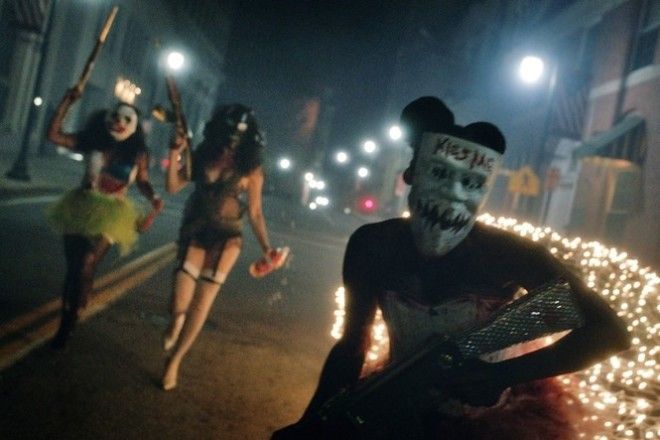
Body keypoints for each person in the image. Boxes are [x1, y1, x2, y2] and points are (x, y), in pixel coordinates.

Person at [272, 96, 630, 439]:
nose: (454, 193)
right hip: (398, 411)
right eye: (440, 173)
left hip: (493, 424)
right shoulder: (373, 246)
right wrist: (313, 423)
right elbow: (353, 346)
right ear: (411, 173)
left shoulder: (509, 253)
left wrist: (502, 375)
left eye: (470, 183)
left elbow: (609, 331)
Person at [161, 104, 289, 390]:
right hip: (196, 231)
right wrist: (174, 151)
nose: (231, 142)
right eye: (229, 134)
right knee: (179, 302)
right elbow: (172, 187)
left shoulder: (251, 169)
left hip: (228, 237)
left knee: (202, 303)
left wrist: (267, 248)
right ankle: (175, 321)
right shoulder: (202, 154)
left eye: (239, 137)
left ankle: (175, 362)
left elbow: (255, 212)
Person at [47, 87, 164, 349]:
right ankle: (69, 314)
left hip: (112, 213)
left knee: (87, 262)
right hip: (80, 206)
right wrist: (66, 101)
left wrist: (153, 197)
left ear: (134, 126)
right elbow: (53, 135)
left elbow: (142, 181)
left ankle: (70, 320)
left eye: (127, 119)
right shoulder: (92, 141)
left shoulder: (138, 154)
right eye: (116, 117)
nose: (119, 123)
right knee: (74, 269)